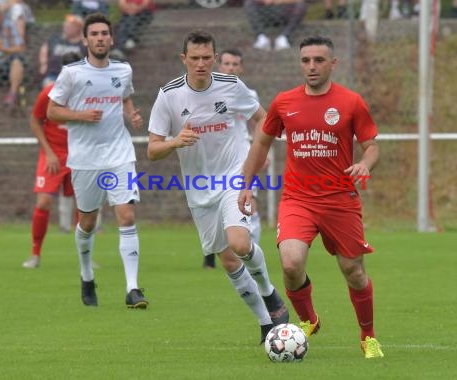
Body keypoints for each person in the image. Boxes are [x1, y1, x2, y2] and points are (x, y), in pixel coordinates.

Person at [238, 35, 384, 358]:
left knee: (354, 272)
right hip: (298, 199)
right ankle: (309, 321)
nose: (312, 66)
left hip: (339, 200)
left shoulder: (350, 102)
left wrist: (363, 163)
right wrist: (245, 184)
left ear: (333, 64)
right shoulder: (284, 102)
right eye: (306, 60)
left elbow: (372, 145)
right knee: (290, 264)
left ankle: (368, 336)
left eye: (319, 60)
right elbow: (261, 144)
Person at [147, 29, 289, 343]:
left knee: (239, 243)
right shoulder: (168, 95)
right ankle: (266, 322)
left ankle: (269, 293)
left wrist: (256, 156)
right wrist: (175, 142)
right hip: (198, 188)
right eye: (194, 58)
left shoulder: (231, 86)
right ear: (183, 59)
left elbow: (265, 121)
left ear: (215, 58)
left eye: (206, 58)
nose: (201, 64)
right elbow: (152, 150)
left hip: (234, 178)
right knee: (227, 260)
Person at [47, 12, 147, 309]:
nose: (100, 38)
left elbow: (125, 96)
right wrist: (80, 115)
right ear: (85, 40)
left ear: (111, 38)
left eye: (105, 33)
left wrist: (132, 114)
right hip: (85, 159)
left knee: (126, 216)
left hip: (119, 154)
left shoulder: (123, 69)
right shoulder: (72, 74)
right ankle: (87, 274)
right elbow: (52, 111)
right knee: (87, 222)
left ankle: (132, 289)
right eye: (95, 34)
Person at [201, 48, 267, 270]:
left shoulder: (248, 94)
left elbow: (259, 124)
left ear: (241, 68)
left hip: (241, 157)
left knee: (250, 204)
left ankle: (249, 254)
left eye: (235, 64)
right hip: (212, 159)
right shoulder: (207, 93)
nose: (230, 68)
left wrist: (259, 153)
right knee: (213, 207)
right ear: (220, 66)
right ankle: (212, 252)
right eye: (226, 64)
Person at [22, 51, 83, 269]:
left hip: (79, 155)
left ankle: (85, 257)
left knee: (85, 206)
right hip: (54, 155)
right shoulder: (48, 94)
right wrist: (48, 152)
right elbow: (35, 121)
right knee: (44, 202)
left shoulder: (87, 95)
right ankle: (35, 254)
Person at [39, 14, 87, 88]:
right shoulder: (56, 39)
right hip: (54, 76)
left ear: (79, 28)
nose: (66, 27)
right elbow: (45, 47)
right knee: (51, 88)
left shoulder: (84, 43)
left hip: (75, 78)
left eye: (70, 26)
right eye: (66, 25)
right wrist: (43, 63)